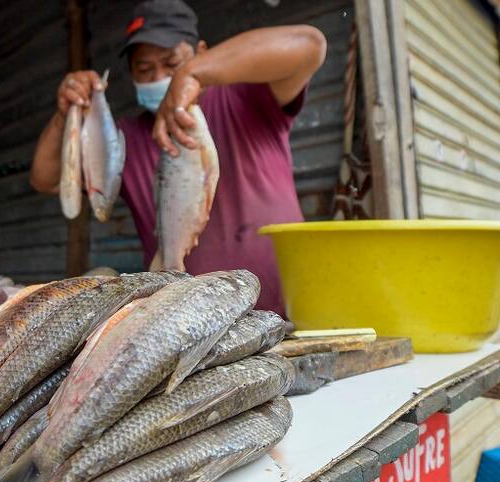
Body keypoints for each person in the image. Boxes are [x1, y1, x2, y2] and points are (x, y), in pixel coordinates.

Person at [30, 0, 326, 314]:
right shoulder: (123, 140)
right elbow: (45, 178)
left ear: (201, 51)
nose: (160, 76)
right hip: (187, 326)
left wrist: (193, 74)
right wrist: (67, 114)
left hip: (288, 311)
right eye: (145, 69)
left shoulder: (246, 96)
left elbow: (311, 44)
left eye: (172, 63)